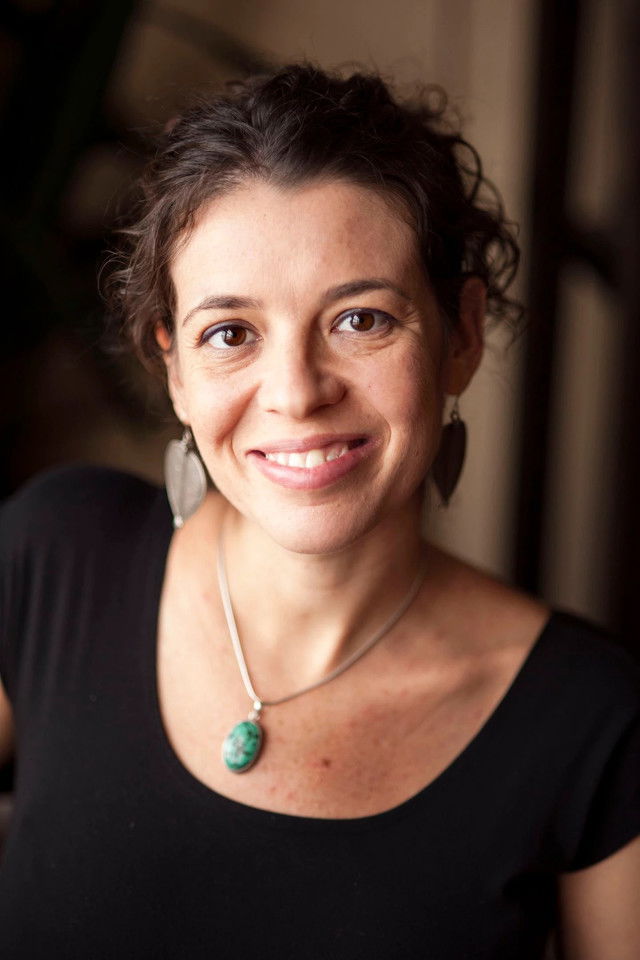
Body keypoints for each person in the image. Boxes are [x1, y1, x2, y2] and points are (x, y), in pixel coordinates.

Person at [0, 63, 638, 959]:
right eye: (230, 334)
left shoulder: (592, 721)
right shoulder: (54, 554)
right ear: (174, 369)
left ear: (459, 335)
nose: (297, 393)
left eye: (361, 320)